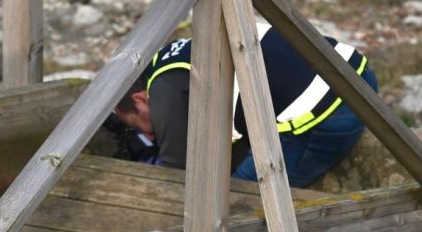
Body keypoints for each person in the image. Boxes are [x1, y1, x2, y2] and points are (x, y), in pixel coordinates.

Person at [111, 29, 377, 188]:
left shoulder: (164, 91)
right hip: (356, 73)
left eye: (139, 124)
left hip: (326, 116)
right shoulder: (173, 55)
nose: (150, 134)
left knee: (233, 205)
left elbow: (178, 178)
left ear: (141, 99)